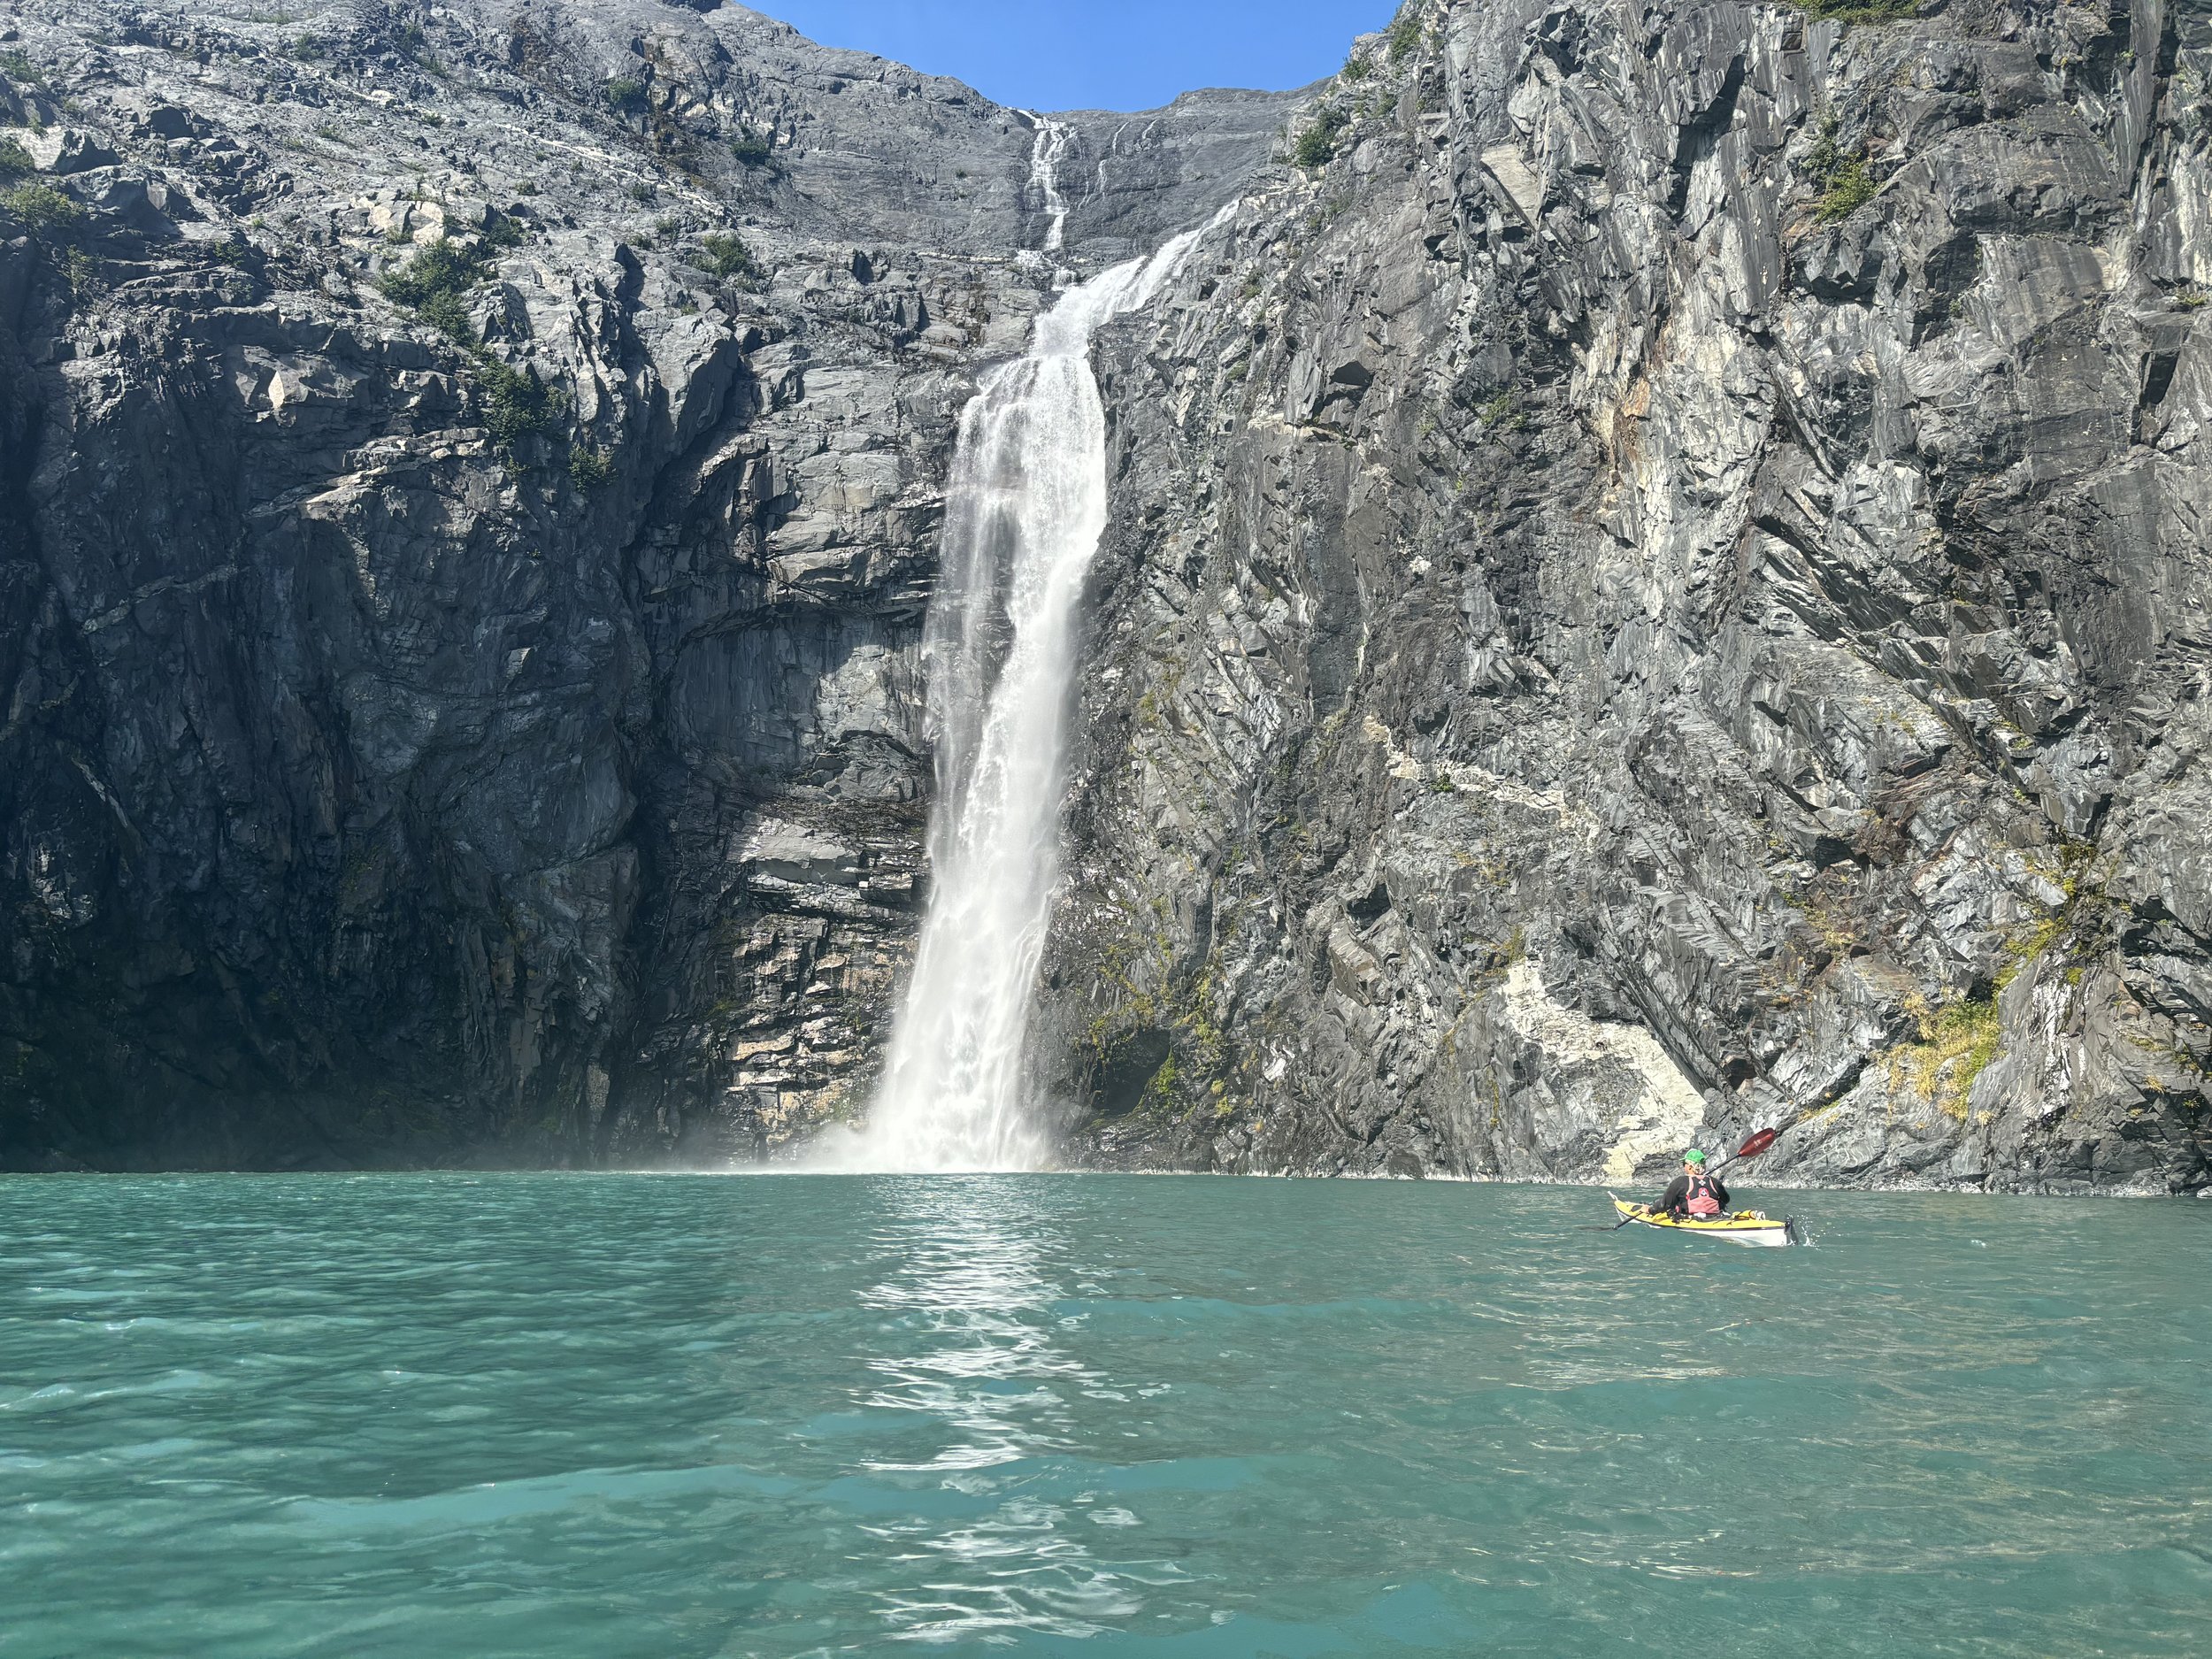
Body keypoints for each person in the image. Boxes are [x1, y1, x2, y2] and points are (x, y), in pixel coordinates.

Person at [1647, 1148, 1728, 1218]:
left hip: (1690, 1219)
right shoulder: (1715, 1182)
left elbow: (1664, 1205)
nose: (1683, 1166)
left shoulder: (1680, 1182)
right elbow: (1726, 1199)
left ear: (1689, 1167)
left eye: (1684, 1164)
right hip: (1715, 1218)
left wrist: (1649, 1210)